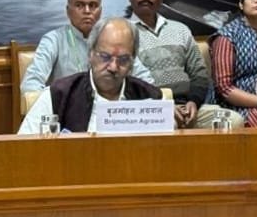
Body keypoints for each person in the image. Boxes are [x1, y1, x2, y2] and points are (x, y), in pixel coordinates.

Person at [125, 0, 241, 130]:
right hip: (149, 109)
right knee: (168, 125)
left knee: (234, 121)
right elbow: (127, 82)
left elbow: (199, 74)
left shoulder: (180, 30)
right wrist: (163, 105)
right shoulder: (122, 33)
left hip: (188, 107)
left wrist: (194, 102)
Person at [18, 17, 162, 134]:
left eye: (123, 59)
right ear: (90, 54)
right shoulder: (58, 95)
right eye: (105, 57)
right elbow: (25, 148)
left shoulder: (150, 97)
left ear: (132, 61)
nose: (113, 67)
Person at [20, 0, 153, 92]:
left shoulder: (115, 38)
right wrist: (60, 99)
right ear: (68, 10)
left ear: (100, 11)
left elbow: (146, 80)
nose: (87, 11)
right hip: (67, 110)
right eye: (79, 5)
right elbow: (30, 85)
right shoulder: (54, 40)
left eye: (93, 5)